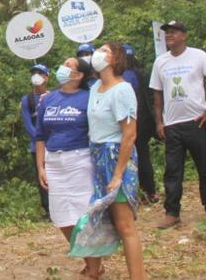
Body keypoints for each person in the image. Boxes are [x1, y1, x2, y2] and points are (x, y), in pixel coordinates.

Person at [149, 20, 206, 228]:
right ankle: (172, 213)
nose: (169, 36)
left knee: (204, 167)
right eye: (167, 33)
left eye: (173, 32)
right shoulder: (161, 62)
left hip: (196, 122)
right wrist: (159, 122)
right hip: (172, 125)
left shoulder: (198, 56)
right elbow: (157, 93)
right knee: (173, 171)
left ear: (184, 36)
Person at [35, 57, 101, 279]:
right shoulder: (49, 99)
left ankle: (94, 267)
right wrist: (41, 166)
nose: (63, 67)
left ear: (79, 75)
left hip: (80, 160)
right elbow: (40, 136)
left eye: (69, 66)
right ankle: (87, 257)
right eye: (63, 63)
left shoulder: (88, 98)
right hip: (54, 162)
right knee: (62, 216)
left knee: (84, 216)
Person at [85, 42, 146, 279]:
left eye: (104, 51)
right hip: (97, 155)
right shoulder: (95, 88)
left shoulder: (123, 90)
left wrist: (119, 173)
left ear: (114, 59)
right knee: (102, 221)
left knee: (125, 224)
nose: (97, 54)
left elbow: (129, 135)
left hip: (115, 156)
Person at [121, 44, 158, 204]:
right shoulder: (141, 73)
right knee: (143, 156)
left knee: (127, 158)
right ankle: (150, 191)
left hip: (127, 123)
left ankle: (133, 193)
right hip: (143, 123)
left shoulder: (122, 76)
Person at [20, 63, 51, 216]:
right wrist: (40, 140)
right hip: (36, 147)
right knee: (42, 177)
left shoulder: (52, 97)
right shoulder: (27, 100)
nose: (36, 76)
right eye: (34, 73)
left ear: (46, 77)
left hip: (53, 145)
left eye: (39, 73)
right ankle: (47, 209)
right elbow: (28, 124)